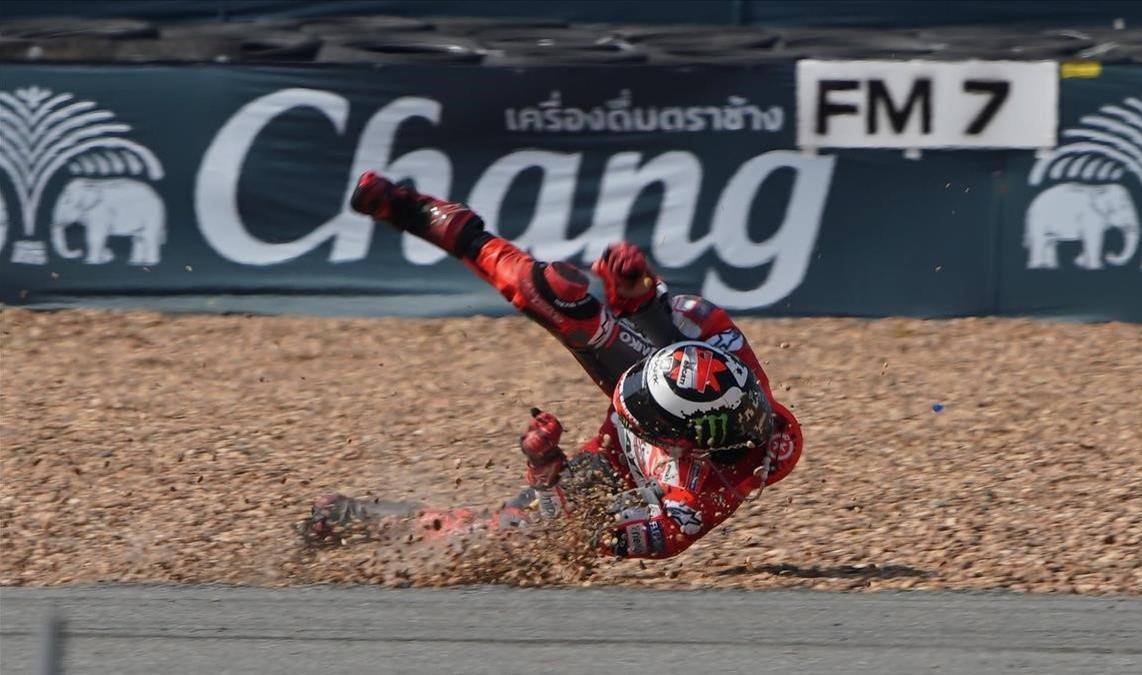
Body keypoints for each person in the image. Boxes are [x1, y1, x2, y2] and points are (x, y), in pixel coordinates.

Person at [308, 171, 803, 559]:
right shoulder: (719, 344)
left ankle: (353, 520)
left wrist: (544, 471)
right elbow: (663, 318)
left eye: (643, 410)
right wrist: (640, 293)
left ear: (683, 440)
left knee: (501, 542)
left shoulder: (690, 506)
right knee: (559, 296)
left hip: (625, 474)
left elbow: (576, 539)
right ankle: (423, 214)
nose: (624, 399)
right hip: (666, 378)